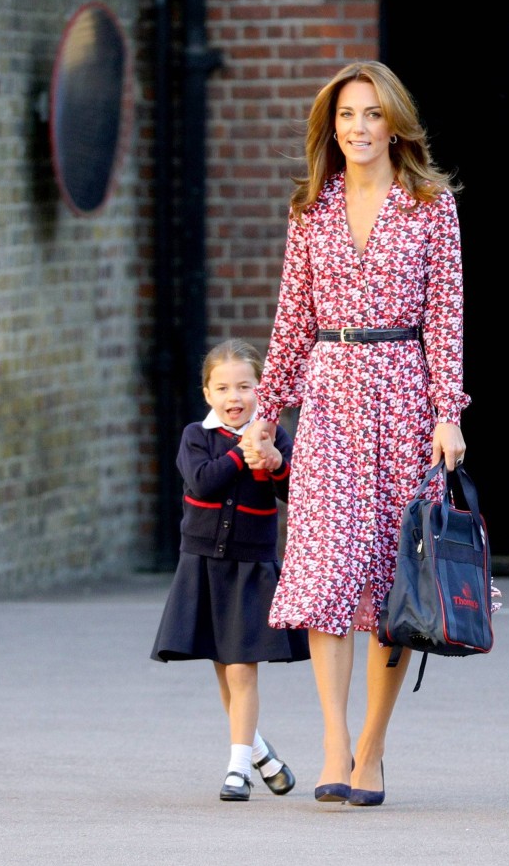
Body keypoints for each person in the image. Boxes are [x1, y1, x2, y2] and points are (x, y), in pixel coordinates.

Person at [242, 61, 469, 808]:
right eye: (345, 116)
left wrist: (447, 413)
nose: (358, 128)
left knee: (391, 583)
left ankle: (372, 744)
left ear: (394, 123)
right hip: (331, 398)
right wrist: (264, 414)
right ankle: (334, 744)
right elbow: (289, 322)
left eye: (371, 115)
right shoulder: (310, 210)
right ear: (330, 127)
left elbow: (446, 319)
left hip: (404, 395)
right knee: (324, 572)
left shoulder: (431, 207)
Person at [151, 338, 310, 802]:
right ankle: (261, 754)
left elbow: (297, 492)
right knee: (224, 669)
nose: (234, 397)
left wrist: (278, 463)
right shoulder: (195, 437)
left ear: (262, 389)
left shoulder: (274, 435)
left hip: (250, 564)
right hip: (202, 563)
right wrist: (243, 453)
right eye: (223, 388)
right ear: (207, 393)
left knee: (242, 668)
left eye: (244, 386)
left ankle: (237, 770)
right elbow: (202, 480)